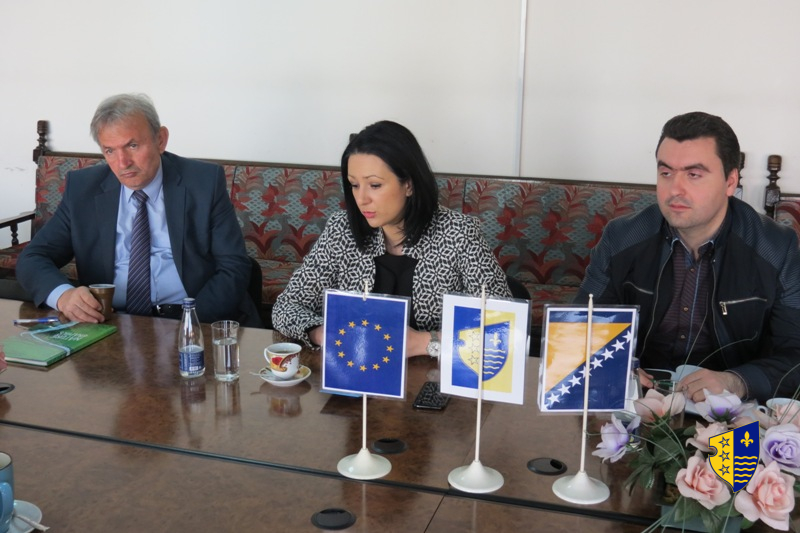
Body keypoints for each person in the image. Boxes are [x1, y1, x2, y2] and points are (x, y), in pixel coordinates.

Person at [576, 111, 800, 404]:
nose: (675, 189)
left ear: (730, 181)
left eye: (694, 175)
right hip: (638, 399)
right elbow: (579, 327)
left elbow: (795, 353)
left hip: (729, 408)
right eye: (666, 173)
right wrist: (617, 368)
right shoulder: (621, 237)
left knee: (744, 437)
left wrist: (737, 381)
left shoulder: (776, 248)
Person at [17, 93, 260, 326]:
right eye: (110, 151)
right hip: (110, 323)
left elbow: (234, 266)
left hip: (192, 319)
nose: (123, 163)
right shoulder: (83, 190)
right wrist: (63, 295)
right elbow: (33, 258)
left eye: (132, 145)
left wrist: (190, 326)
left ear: (160, 139)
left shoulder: (203, 183)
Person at [272, 120, 510, 357]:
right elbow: (286, 307)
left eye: (375, 185)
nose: (361, 199)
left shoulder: (460, 234)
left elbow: (504, 326)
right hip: (360, 370)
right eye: (354, 185)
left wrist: (425, 342)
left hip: (430, 375)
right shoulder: (341, 229)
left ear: (409, 184)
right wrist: (325, 333)